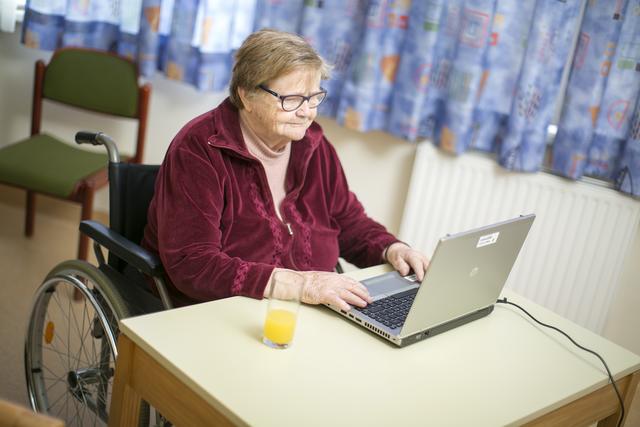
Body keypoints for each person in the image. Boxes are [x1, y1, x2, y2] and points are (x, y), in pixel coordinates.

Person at [142, 29, 429, 310]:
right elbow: (193, 263)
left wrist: (393, 249)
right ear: (246, 96)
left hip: (307, 309)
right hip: (222, 309)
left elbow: (348, 221)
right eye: (291, 100)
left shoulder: (314, 146)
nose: (307, 112)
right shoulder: (199, 149)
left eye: (313, 97)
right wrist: (301, 286)